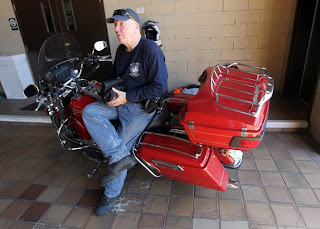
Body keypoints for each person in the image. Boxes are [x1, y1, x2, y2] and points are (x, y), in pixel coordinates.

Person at [82, 8, 168, 216]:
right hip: (119, 102)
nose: (117, 29)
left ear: (136, 27)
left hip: (140, 108)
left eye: (122, 24)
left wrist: (127, 97)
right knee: (89, 111)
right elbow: (116, 76)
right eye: (115, 25)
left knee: (120, 141)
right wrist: (106, 90)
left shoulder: (150, 51)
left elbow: (160, 88)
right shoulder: (121, 50)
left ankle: (111, 194)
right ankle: (119, 158)